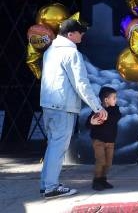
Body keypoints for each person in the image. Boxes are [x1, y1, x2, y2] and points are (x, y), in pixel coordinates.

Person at [39, 18, 106, 199]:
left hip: (48, 104)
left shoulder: (50, 50)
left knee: (52, 144)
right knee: (58, 146)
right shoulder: (71, 53)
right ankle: (51, 187)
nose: (82, 34)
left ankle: (46, 183)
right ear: (70, 34)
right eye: (79, 32)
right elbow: (81, 84)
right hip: (63, 106)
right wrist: (97, 107)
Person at [86, 86, 121, 191]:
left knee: (108, 163)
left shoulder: (115, 110)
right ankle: (96, 181)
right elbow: (87, 123)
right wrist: (92, 121)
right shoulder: (97, 111)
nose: (116, 100)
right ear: (106, 100)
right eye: (114, 98)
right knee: (101, 161)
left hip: (110, 141)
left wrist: (107, 114)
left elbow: (116, 117)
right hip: (98, 140)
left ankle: (103, 180)